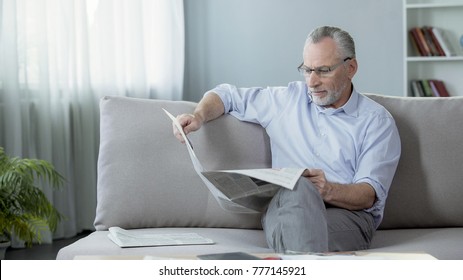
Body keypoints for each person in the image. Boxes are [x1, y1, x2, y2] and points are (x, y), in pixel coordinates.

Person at [173, 26, 401, 253]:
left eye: (323, 70)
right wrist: (198, 116)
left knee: (297, 222)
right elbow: (225, 94)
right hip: (284, 209)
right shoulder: (285, 100)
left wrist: (326, 189)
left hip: (346, 217)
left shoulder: (376, 121)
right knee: (297, 189)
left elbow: (369, 195)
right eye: (307, 69)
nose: (312, 82)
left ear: (351, 68)